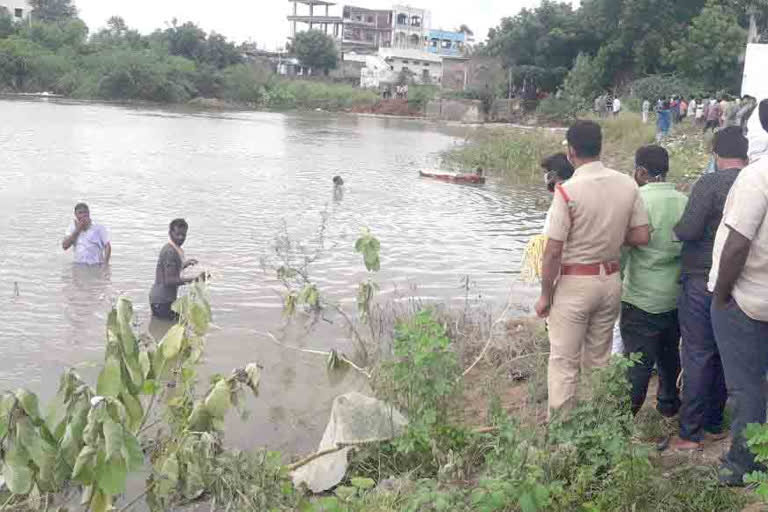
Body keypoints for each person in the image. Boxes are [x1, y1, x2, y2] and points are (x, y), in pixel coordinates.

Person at [535, 121, 650, 417]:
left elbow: (553, 252)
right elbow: (641, 236)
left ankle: (562, 433)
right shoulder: (627, 183)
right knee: (598, 360)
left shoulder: (567, 191)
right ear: (601, 146)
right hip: (610, 282)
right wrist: (609, 236)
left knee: (564, 361)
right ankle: (597, 425)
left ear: (571, 151)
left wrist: (545, 295)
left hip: (575, 284)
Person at [667, 127, 749, 452]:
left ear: (716, 153)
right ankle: (715, 423)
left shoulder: (711, 184)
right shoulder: (757, 182)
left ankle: (690, 433)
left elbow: (688, 229)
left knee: (698, 353)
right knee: (724, 353)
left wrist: (674, 230)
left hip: (703, 280)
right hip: (743, 283)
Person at [709, 100, 768, 486]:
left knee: (747, 386)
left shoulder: (757, 177)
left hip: (746, 299)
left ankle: (743, 464)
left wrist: (721, 293)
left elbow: (736, 244)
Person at [620, 145, 688, 417]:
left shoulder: (637, 201)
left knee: (637, 364)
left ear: (641, 171)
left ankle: (624, 420)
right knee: (670, 356)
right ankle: (669, 405)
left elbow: (622, 252)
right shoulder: (684, 201)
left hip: (640, 297)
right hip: (674, 296)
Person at [149, 218, 206, 320]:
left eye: (183, 235)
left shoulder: (173, 248)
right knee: (178, 328)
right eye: (178, 234)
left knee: (169, 329)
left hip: (161, 300)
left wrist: (184, 264)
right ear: (170, 233)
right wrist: (194, 279)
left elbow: (171, 270)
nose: (181, 238)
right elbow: (169, 280)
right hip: (162, 301)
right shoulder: (170, 252)